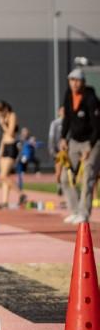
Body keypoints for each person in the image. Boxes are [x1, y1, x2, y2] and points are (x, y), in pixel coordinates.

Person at [59, 67, 100, 224]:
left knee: (88, 175)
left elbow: (97, 125)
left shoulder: (91, 98)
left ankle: (84, 213)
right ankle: (75, 210)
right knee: (64, 177)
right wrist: (63, 138)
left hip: (93, 141)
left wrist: (90, 146)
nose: (74, 84)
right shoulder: (68, 95)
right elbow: (67, 119)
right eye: (72, 80)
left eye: (77, 80)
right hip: (74, 141)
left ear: (83, 82)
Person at [0, 100, 20, 208]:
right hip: (5, 147)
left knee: (3, 175)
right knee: (5, 177)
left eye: (1, 111)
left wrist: (2, 124)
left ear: (5, 108)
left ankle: (21, 194)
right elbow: (4, 137)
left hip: (11, 147)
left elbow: (10, 133)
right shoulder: (4, 118)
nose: (0, 114)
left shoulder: (12, 116)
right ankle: (5, 201)